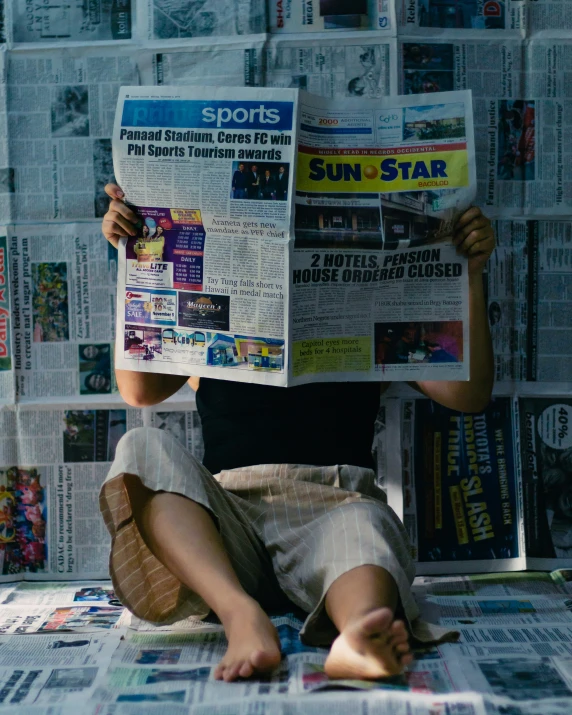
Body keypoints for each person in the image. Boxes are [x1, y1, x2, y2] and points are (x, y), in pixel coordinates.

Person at [102, 183, 495, 683]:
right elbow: (139, 390)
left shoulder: (371, 296)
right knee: (142, 447)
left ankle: (357, 633)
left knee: (367, 528)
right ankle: (239, 614)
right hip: (230, 523)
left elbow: (468, 393)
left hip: (334, 504)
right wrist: (133, 256)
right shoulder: (209, 305)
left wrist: (471, 277)